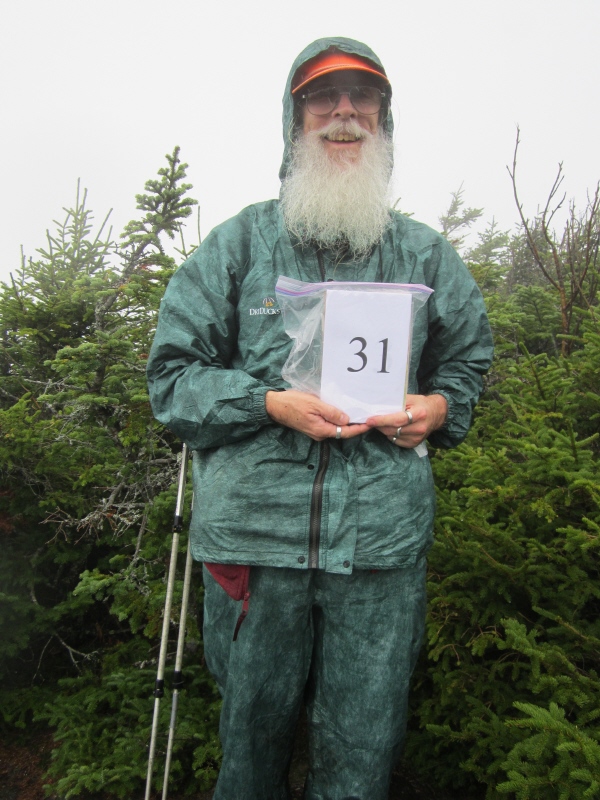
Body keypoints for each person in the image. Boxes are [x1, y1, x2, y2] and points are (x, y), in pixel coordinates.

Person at [147, 36, 493, 800]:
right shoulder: (238, 245)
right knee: (249, 745)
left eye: (362, 98)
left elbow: (468, 364)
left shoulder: (425, 255)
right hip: (253, 544)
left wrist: (438, 407)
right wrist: (266, 402)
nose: (344, 113)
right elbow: (171, 380)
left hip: (380, 548)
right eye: (323, 98)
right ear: (293, 118)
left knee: (363, 749)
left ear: (384, 121)